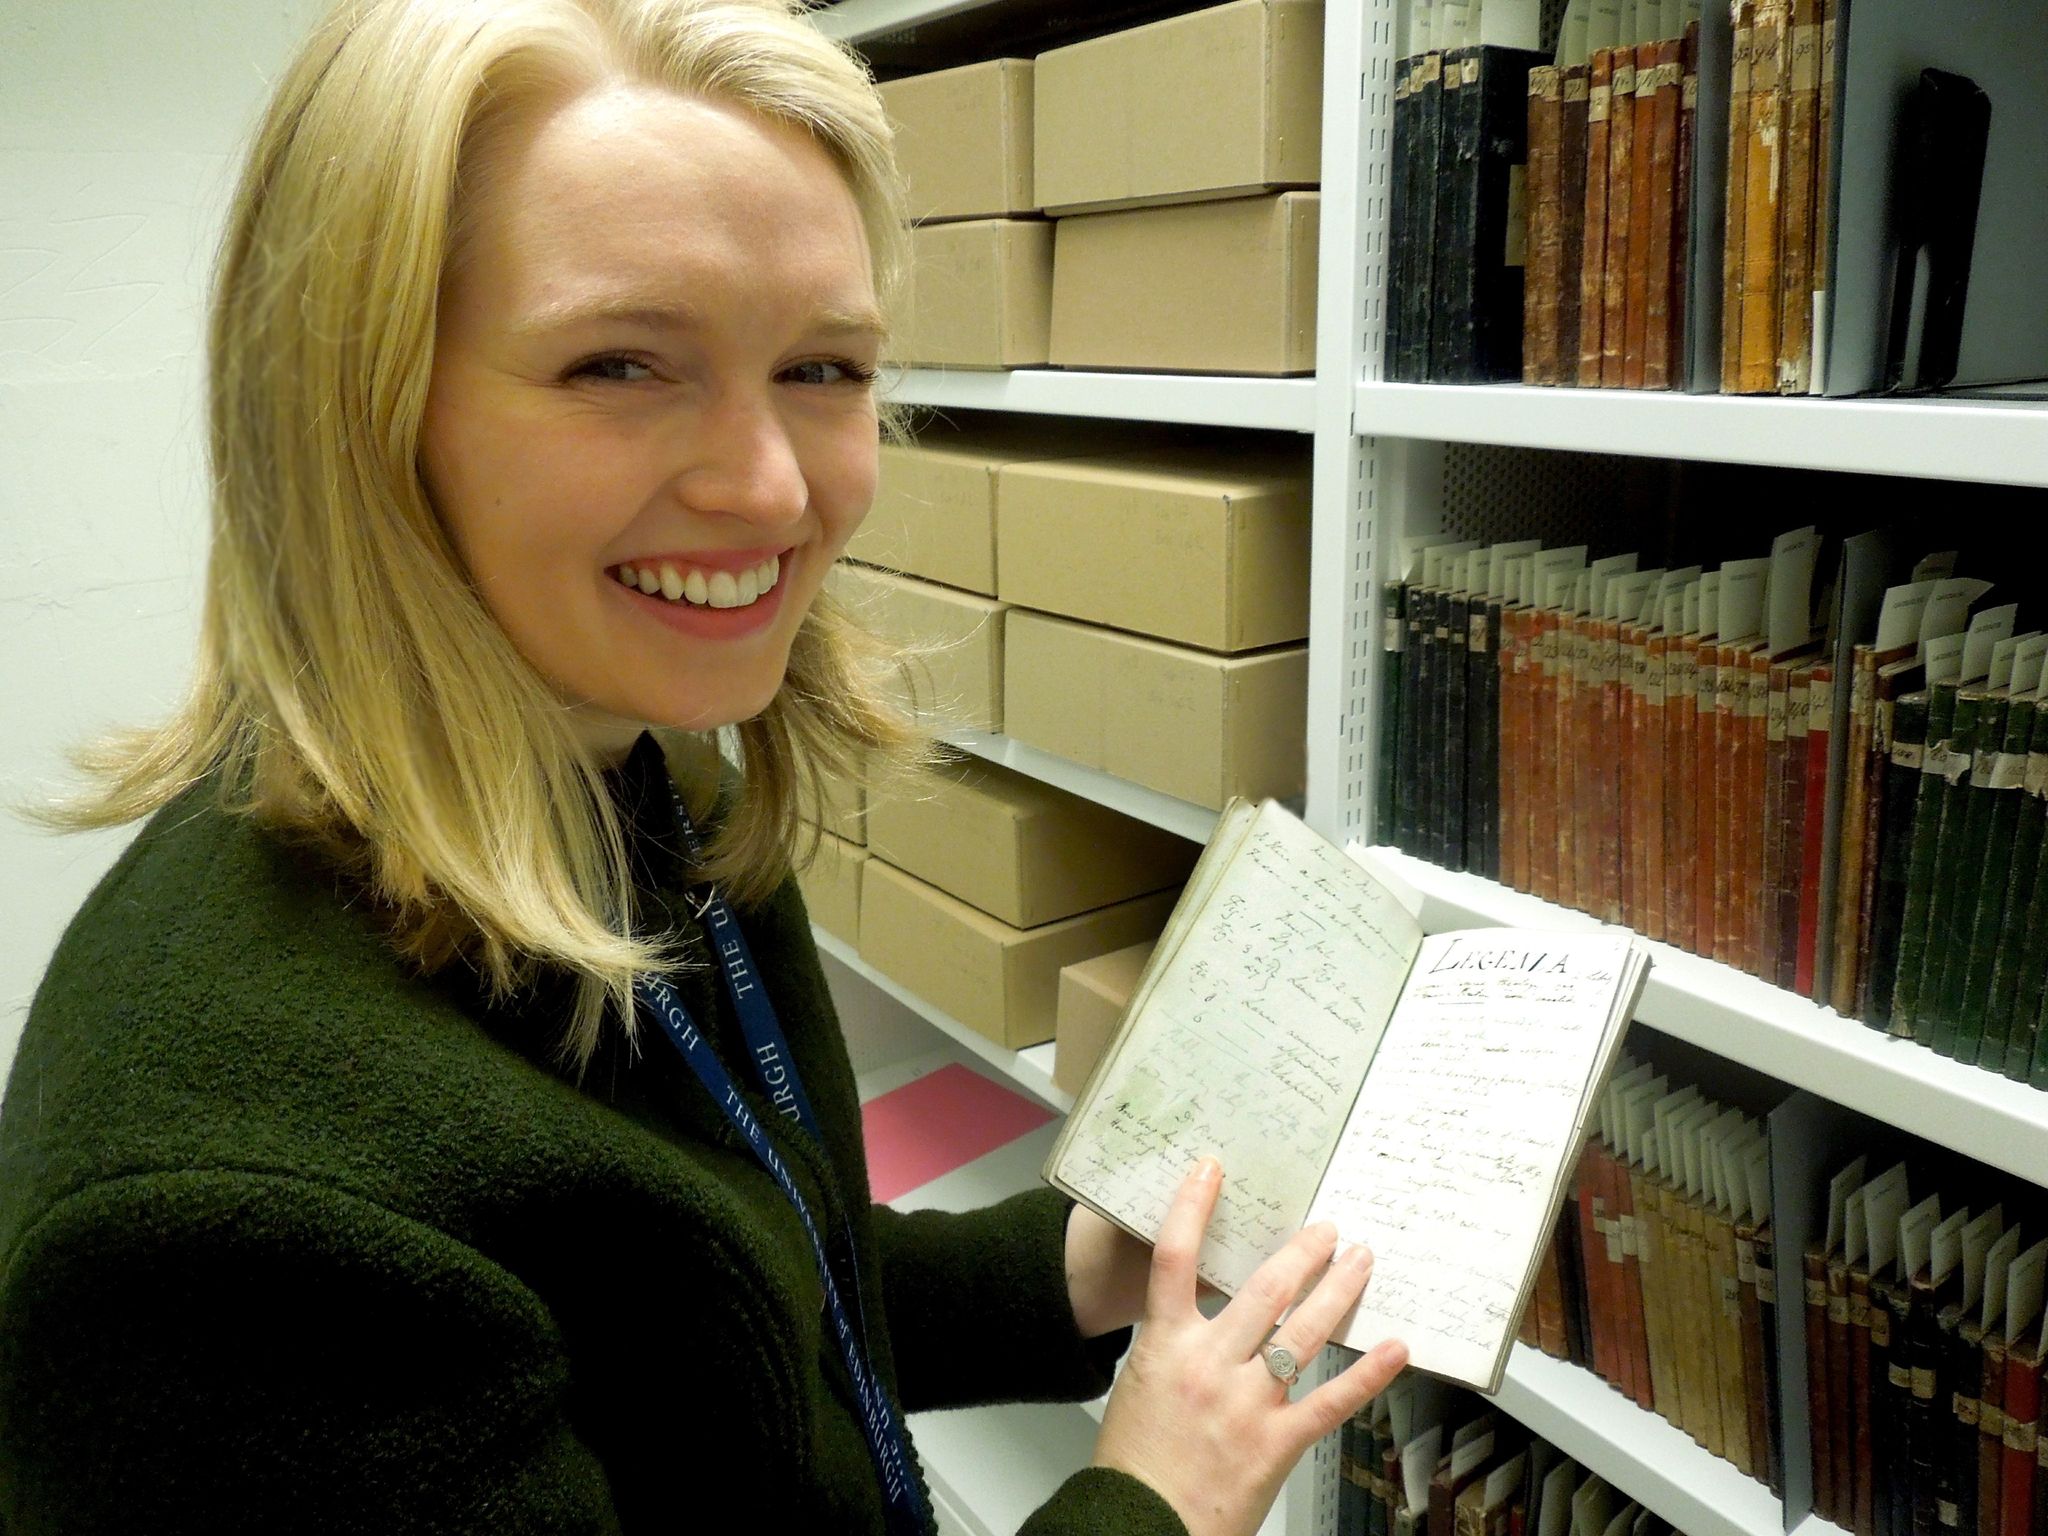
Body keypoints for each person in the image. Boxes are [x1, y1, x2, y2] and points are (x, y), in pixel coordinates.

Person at [0, 1, 1408, 1531]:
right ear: (354, 410)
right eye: (619, 364)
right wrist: (1151, 1500)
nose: (773, 487)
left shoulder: (652, 793)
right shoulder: (231, 1237)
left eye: (825, 367)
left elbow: (724, 1311)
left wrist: (1077, 1266)